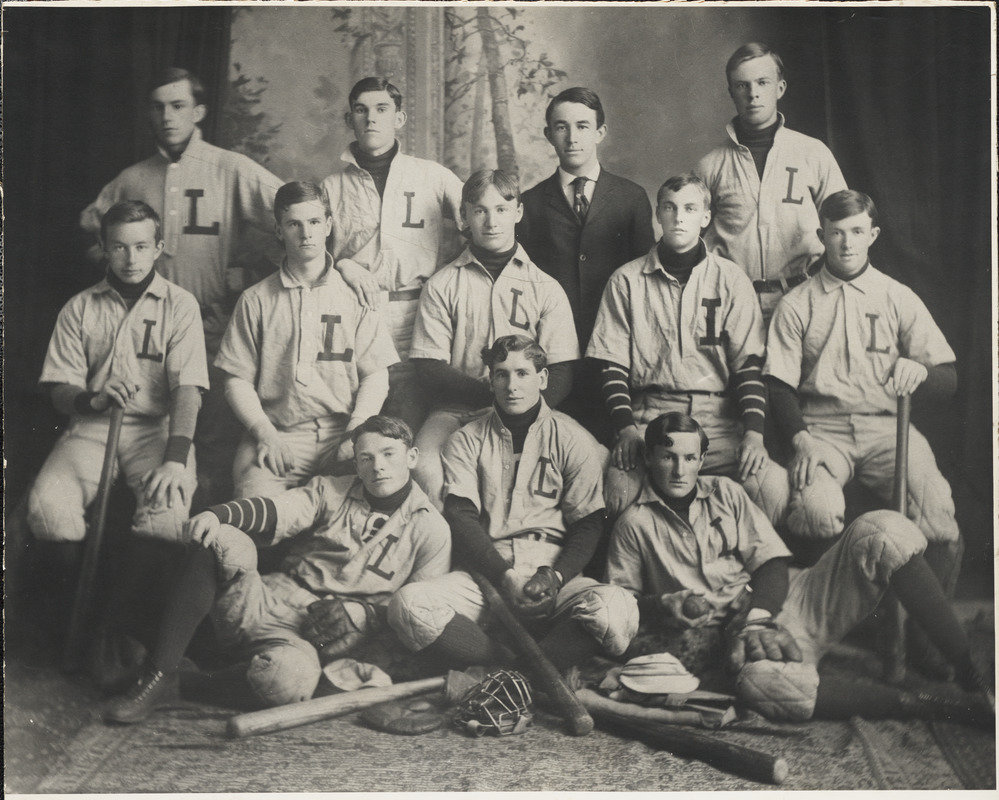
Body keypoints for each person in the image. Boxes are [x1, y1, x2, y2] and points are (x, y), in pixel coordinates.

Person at [605, 413, 993, 726]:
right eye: (667, 456)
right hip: (734, 643)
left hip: (783, 604)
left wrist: (758, 617)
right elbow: (624, 604)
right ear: (649, 457)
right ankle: (931, 706)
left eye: (690, 458)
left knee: (881, 532)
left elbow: (772, 561)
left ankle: (966, 668)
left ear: (702, 461)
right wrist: (661, 605)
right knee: (768, 686)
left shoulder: (725, 492)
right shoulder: (633, 523)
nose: (678, 469)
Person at [103, 415, 451, 723]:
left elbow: (417, 613)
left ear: (412, 457)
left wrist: (364, 613)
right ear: (357, 466)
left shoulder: (432, 529)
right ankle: (157, 673)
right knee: (218, 537)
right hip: (272, 597)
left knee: (286, 682)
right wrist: (218, 514)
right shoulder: (331, 489)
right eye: (367, 458)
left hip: (319, 638)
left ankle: (184, 682)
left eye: (389, 454)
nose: (378, 466)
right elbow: (277, 509)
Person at [79, 67, 286, 504]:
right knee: (147, 434)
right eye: (158, 107)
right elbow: (91, 234)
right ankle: (154, 529)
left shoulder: (228, 167)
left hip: (212, 328)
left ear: (199, 111)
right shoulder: (133, 178)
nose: (168, 116)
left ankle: (200, 538)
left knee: (209, 439)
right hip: (146, 330)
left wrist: (251, 274)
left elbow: (297, 215)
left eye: (178, 106)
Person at [765, 190, 963, 627]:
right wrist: (800, 440)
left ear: (872, 234)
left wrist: (921, 372)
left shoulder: (897, 296)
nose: (847, 243)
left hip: (887, 429)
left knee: (938, 515)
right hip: (821, 431)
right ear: (822, 236)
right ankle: (841, 621)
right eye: (836, 233)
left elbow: (948, 378)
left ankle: (925, 637)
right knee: (815, 510)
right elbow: (777, 385)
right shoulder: (797, 304)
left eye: (857, 232)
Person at [389, 336, 638, 674]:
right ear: (490, 379)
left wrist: (556, 577)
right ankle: (505, 666)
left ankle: (532, 668)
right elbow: (462, 517)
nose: (512, 385)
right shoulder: (466, 438)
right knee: (408, 604)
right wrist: (503, 575)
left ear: (543, 379)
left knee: (618, 607)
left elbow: (588, 523)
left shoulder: (571, 437)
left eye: (523, 373)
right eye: (501, 374)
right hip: (487, 574)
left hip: (551, 570)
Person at [28, 200, 208, 639]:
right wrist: (94, 399)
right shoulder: (80, 307)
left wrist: (175, 460)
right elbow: (58, 392)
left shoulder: (181, 305)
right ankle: (67, 631)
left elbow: (189, 391)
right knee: (48, 511)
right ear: (104, 250)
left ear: (159, 247)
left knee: (166, 516)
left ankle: (119, 638)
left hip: (157, 430)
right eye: (120, 248)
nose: (131, 259)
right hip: (93, 427)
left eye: (141, 246)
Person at [586, 174, 788, 522]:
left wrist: (754, 433)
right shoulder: (627, 280)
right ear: (658, 216)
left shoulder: (730, 278)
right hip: (651, 417)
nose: (679, 217)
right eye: (670, 208)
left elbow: (747, 367)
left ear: (705, 217)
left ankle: (736, 571)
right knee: (618, 492)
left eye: (690, 208)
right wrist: (626, 429)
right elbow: (612, 365)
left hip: (717, 419)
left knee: (771, 488)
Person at [215, 181, 399, 497]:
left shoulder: (355, 293)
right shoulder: (256, 299)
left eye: (314, 222)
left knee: (358, 520)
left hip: (342, 432)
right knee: (252, 510)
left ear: (328, 225)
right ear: (278, 229)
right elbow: (236, 379)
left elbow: (376, 374)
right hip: (279, 433)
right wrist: (265, 434)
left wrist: (355, 432)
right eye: (294, 224)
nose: (306, 233)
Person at [408, 169, 580, 507]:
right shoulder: (443, 285)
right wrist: (491, 393)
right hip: (456, 410)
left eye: (501, 209)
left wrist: (526, 411)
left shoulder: (545, 287)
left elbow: (561, 371)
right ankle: (446, 556)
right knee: (426, 467)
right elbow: (429, 365)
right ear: (465, 215)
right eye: (480, 210)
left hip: (529, 411)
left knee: (583, 462)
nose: (491, 221)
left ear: (517, 212)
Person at [320, 77, 465, 433]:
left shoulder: (432, 176)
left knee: (405, 420)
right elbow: (311, 259)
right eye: (361, 110)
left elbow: (482, 223)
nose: (371, 119)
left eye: (382, 109)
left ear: (399, 118)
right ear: (349, 119)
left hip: (416, 316)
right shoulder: (331, 186)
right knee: (357, 419)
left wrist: (448, 279)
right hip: (355, 313)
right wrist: (342, 265)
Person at [518, 87, 655, 441]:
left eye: (582, 126)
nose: (572, 137)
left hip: (615, 351)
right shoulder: (530, 204)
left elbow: (646, 282)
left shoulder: (630, 197)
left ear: (600, 133)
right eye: (561, 127)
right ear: (549, 134)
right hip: (555, 354)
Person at [694, 43, 848, 325]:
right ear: (731, 93)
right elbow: (691, 239)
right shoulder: (710, 165)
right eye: (742, 85)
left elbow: (844, 226)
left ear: (780, 88)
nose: (753, 94)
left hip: (805, 298)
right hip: (733, 303)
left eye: (763, 82)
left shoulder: (813, 153)